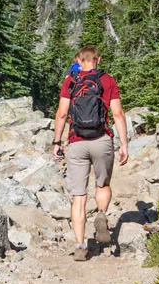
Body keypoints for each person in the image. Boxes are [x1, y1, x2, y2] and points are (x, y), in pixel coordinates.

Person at [52, 47, 129, 261]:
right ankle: (102, 214)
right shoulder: (108, 80)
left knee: (79, 197)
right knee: (102, 185)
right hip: (102, 139)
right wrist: (124, 144)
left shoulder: (70, 82)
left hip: (77, 142)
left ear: (78, 60)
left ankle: (80, 246)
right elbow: (118, 114)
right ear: (98, 59)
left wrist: (57, 142)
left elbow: (61, 114)